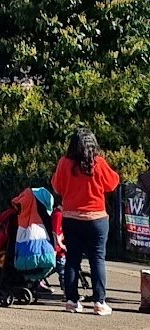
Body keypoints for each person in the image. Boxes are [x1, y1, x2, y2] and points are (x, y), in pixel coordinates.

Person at [51, 126, 120, 317]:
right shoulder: (98, 163)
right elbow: (113, 183)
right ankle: (99, 302)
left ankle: (72, 301)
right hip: (97, 218)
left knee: (72, 259)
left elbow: (57, 187)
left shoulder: (64, 163)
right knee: (97, 259)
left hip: (71, 218)